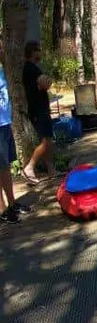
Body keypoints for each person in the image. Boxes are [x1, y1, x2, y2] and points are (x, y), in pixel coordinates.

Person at [21, 41, 55, 184]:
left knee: (46, 140)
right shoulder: (31, 69)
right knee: (46, 141)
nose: (40, 53)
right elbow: (45, 83)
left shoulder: (32, 68)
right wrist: (47, 80)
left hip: (39, 110)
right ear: (33, 52)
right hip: (38, 111)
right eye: (38, 50)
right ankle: (29, 168)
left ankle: (51, 170)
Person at [0, 67, 30, 223]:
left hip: (4, 124)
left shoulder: (0, 70)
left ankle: (12, 203)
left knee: (5, 167)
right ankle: (2, 209)